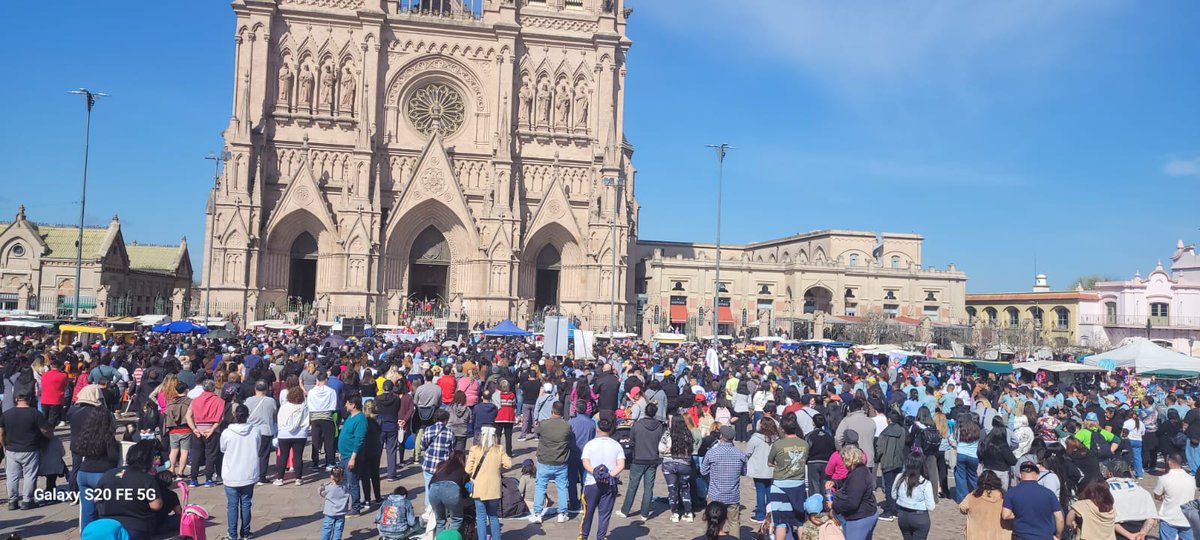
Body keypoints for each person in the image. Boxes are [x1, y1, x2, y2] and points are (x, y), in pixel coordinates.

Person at [96, 441, 163, 540]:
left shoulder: (108, 474)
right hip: (136, 527)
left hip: (107, 525)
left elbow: (96, 500)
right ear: (148, 460)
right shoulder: (146, 479)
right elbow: (156, 506)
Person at [1, 390, 52, 511]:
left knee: (12, 476)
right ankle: (27, 501)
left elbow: (1, 433)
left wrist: (4, 445)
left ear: (16, 399)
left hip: (11, 449)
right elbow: (44, 430)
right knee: (30, 475)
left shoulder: (6, 414)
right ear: (29, 400)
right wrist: (50, 436)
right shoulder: (35, 414)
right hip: (30, 449)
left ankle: (12, 501)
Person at [580, 417, 625, 540]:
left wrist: (595, 472)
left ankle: (584, 537)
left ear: (597, 429)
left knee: (587, 513)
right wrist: (609, 475)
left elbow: (586, 463)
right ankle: (601, 538)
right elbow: (621, 465)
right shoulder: (616, 445)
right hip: (609, 483)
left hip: (591, 483)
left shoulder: (590, 444)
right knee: (604, 515)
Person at [221, 403, 261, 540]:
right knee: (246, 503)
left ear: (234, 415)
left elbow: (222, 448)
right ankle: (245, 532)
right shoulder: (255, 431)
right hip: (248, 472)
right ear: (248, 415)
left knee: (232, 505)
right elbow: (258, 447)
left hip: (231, 473)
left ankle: (232, 534)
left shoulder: (227, 433)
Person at [767, 414, 809, 540]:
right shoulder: (804, 444)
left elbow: (770, 462)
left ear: (783, 429)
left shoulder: (778, 444)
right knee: (800, 520)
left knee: (780, 521)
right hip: (798, 484)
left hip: (780, 484)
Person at [466, 426, 512, 540]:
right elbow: (508, 464)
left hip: (479, 489)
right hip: (494, 489)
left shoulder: (474, 449)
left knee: (481, 517)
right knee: (493, 516)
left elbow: (467, 469)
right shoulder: (499, 449)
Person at [702, 425, 748, 537]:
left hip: (715, 495)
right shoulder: (740, 454)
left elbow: (703, 471)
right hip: (732, 495)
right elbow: (744, 472)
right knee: (734, 522)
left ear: (721, 436)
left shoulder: (712, 453)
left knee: (713, 521)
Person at [620, 401, 663, 519]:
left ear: (645, 412)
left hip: (638, 458)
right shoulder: (659, 426)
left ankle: (625, 510)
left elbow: (632, 439)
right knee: (649, 487)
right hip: (653, 459)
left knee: (632, 486)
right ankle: (644, 513)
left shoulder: (637, 425)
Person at [1002, 462, 1064, 540]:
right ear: (1037, 475)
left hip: (1021, 536)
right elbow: (1060, 519)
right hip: (1044, 536)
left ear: (1020, 475)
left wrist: (1021, 515)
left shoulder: (1011, 492)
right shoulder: (1049, 493)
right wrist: (1058, 535)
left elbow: (1005, 515)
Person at [531, 401, 571, 523]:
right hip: (561, 462)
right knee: (562, 487)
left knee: (540, 486)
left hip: (545, 460)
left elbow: (536, 432)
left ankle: (537, 513)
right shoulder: (567, 426)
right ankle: (562, 513)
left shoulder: (544, 424)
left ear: (552, 411)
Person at [830, 444, 878, 540]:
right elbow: (848, 482)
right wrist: (835, 483)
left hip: (860, 517)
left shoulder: (858, 476)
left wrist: (834, 505)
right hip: (869, 513)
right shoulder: (861, 470)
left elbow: (852, 503)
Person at [185, 380, 226, 487]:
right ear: (213, 388)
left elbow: (188, 416)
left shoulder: (195, 400)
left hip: (198, 430)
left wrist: (194, 429)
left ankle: (193, 479)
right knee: (210, 455)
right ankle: (208, 479)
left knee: (196, 456)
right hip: (212, 431)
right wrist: (212, 429)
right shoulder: (219, 400)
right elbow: (221, 418)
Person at [1103, 459, 1157, 540]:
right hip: (1139, 534)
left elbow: (1107, 519)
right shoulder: (1142, 490)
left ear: (1110, 474)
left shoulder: (1105, 490)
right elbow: (1152, 518)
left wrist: (1129, 535)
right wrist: (1142, 533)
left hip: (1117, 534)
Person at [891, 452, 937, 540]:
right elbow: (931, 507)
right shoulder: (925, 483)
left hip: (903, 516)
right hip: (919, 517)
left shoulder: (900, 477)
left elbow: (893, 495)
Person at [660, 413, 696, 523]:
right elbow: (692, 449)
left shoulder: (667, 434)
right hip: (685, 464)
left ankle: (675, 513)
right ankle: (688, 512)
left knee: (672, 489)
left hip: (669, 463)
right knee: (685, 488)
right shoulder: (688, 434)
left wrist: (667, 450)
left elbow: (660, 448)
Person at [957, 470, 1010, 540]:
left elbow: (962, 508)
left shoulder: (973, 496)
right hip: (1001, 536)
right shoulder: (1004, 497)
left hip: (977, 536)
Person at [745, 415, 779, 524]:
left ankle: (760, 515)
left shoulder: (755, 438)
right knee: (769, 492)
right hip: (771, 469)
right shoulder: (776, 439)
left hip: (758, 469)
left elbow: (748, 452)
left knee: (760, 492)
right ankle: (770, 514)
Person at [276, 379, 310, 485]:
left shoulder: (284, 407)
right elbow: (306, 421)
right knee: (298, 456)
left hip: (284, 434)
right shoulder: (304, 407)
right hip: (300, 434)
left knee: (283, 456)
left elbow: (280, 420)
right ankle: (298, 479)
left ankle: (280, 479)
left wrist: (282, 430)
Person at [244, 380, 278, 485]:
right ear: (266, 390)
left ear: (255, 389)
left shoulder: (248, 400)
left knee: (251, 454)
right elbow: (274, 414)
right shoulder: (271, 401)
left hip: (251, 430)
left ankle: (251, 474)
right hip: (266, 431)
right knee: (264, 455)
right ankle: (261, 476)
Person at [420, 408, 456, 509]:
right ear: (446, 420)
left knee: (428, 487)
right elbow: (452, 450)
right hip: (443, 466)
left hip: (429, 464)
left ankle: (428, 509)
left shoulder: (428, 429)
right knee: (442, 488)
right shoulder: (450, 433)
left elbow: (422, 446)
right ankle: (441, 508)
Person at [1155, 452, 1195, 540]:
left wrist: (1164, 497)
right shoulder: (1191, 479)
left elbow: (1157, 495)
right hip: (1187, 518)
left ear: (1169, 462)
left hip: (1169, 517)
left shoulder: (1164, 479)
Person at [338, 394, 367, 515]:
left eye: (347, 403)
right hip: (344, 455)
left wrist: (353, 458)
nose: (345, 405)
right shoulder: (350, 417)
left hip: (351, 456)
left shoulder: (360, 419)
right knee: (344, 482)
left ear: (353, 405)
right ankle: (345, 505)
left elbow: (359, 440)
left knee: (352, 483)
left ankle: (355, 508)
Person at [876, 409, 907, 522]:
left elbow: (880, 449)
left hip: (888, 462)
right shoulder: (902, 431)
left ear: (889, 420)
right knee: (897, 486)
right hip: (899, 461)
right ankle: (896, 509)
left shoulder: (884, 432)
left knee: (889, 487)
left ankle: (889, 510)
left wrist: (877, 458)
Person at [427, 450, 467, 533]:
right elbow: (464, 489)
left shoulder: (441, 465)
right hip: (451, 489)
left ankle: (440, 538)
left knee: (440, 521)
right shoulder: (461, 469)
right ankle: (450, 536)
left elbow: (430, 483)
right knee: (456, 519)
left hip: (434, 489)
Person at [569, 398, 597, 512]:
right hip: (587, 455)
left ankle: (573, 503)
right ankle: (583, 502)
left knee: (571, 480)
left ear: (576, 409)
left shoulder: (571, 422)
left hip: (573, 453)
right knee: (585, 480)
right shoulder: (592, 423)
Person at [308, 371, 339, 471]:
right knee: (329, 441)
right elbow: (334, 406)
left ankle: (315, 463)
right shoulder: (331, 391)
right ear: (326, 380)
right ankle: (330, 462)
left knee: (315, 442)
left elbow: (309, 406)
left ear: (317, 380)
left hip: (315, 418)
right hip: (327, 417)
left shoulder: (311, 392)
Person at [359, 399, 384, 506]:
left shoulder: (362, 420)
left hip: (365, 450)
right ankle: (378, 497)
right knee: (375, 474)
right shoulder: (379, 419)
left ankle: (367, 499)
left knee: (365, 476)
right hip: (376, 449)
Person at [953, 418, 982, 502]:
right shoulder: (977, 429)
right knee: (973, 476)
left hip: (961, 453)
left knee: (960, 477)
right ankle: (978, 495)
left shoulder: (960, 429)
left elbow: (953, 439)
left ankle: (963, 499)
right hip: (973, 455)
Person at [320, 466, 350, 540]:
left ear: (331, 476)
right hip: (341, 512)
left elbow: (321, 493)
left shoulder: (328, 487)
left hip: (329, 512)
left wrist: (323, 486)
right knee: (338, 529)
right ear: (342, 477)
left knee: (327, 528)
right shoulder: (345, 487)